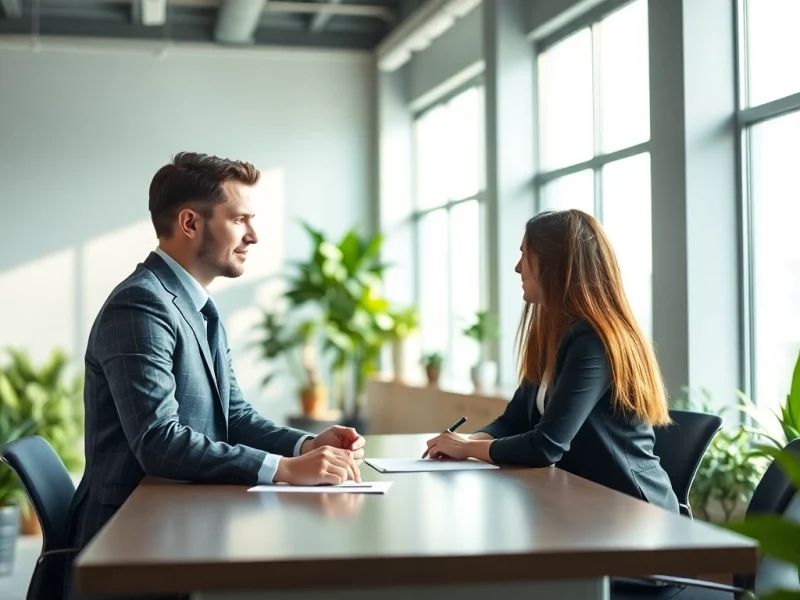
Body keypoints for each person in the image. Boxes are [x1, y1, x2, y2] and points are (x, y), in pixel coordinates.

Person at [64, 152, 365, 599]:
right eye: (240, 218)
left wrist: (306, 444)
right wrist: (283, 469)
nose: (254, 235)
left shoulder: (196, 305)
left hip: (179, 519)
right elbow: (158, 441)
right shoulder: (141, 305)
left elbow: (234, 414)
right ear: (190, 223)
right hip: (130, 539)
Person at [425, 209, 680, 514]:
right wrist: (465, 441)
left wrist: (467, 448)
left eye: (525, 255)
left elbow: (546, 446)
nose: (518, 268)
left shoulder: (593, 340)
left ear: (554, 264)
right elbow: (513, 420)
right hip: (581, 500)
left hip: (629, 508)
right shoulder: (553, 335)